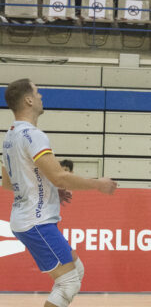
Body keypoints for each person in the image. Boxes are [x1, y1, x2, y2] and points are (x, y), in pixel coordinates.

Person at [1, 79, 117, 307]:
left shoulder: (9, 137)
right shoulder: (34, 135)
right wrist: (98, 184)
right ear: (28, 100)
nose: (41, 95)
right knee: (68, 282)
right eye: (37, 92)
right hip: (37, 222)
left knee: (76, 270)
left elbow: (7, 182)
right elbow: (59, 176)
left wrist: (50, 189)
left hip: (26, 220)